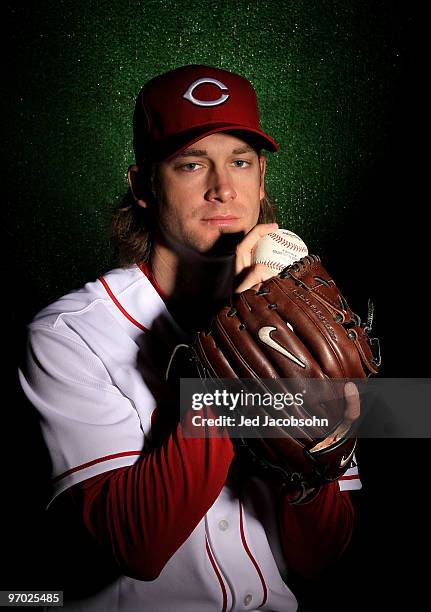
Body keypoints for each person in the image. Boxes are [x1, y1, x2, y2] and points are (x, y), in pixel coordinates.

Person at [19, 65, 362, 611]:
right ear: (144, 187)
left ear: (261, 177)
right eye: (191, 164)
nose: (223, 188)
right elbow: (137, 544)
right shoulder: (69, 335)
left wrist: (312, 463)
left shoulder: (301, 326)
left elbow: (322, 559)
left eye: (240, 162)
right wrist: (228, 370)